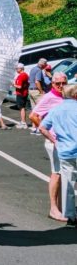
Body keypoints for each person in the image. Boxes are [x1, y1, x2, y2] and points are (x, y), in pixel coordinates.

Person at [31, 72, 68, 221]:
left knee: (67, 174)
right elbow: (33, 115)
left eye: (63, 83)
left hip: (67, 140)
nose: (60, 86)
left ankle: (63, 207)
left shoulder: (67, 96)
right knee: (57, 173)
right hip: (54, 140)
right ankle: (54, 208)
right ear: (52, 84)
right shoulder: (48, 98)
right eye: (57, 83)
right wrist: (47, 132)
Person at [39, 84, 77, 226]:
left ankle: (70, 216)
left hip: (65, 151)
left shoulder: (55, 110)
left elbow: (42, 127)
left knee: (68, 184)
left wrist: (54, 140)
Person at [28, 58, 47, 133]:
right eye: (45, 64)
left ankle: (34, 127)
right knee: (40, 110)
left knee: (34, 110)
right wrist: (41, 91)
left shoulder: (33, 69)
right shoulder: (39, 70)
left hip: (30, 90)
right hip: (36, 91)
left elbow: (30, 80)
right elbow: (37, 81)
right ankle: (39, 128)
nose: (46, 65)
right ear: (43, 64)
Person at [13, 63, 30, 129]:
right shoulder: (25, 75)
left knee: (21, 107)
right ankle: (23, 121)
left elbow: (19, 86)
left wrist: (13, 85)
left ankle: (23, 122)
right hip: (23, 93)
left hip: (21, 94)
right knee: (21, 107)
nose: (16, 70)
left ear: (21, 68)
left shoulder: (21, 76)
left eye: (17, 68)